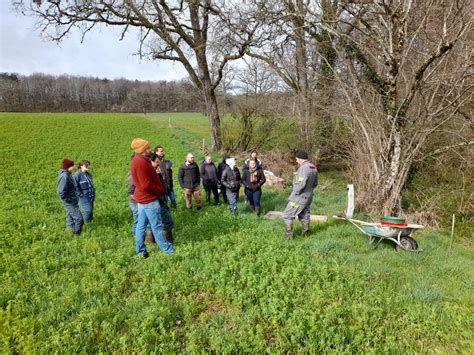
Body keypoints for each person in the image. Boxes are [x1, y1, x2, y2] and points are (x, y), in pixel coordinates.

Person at [130, 138, 174, 257]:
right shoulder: (140, 162)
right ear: (142, 149)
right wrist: (159, 190)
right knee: (157, 226)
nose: (150, 149)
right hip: (149, 199)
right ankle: (168, 249)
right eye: (148, 148)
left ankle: (140, 251)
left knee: (141, 226)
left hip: (143, 200)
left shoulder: (138, 160)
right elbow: (145, 184)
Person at [283, 150, 318, 240]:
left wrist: (295, 193)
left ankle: (288, 237)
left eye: (297, 159)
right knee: (304, 214)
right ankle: (305, 234)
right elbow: (315, 183)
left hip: (299, 197)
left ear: (301, 159)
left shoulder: (303, 168)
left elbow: (300, 184)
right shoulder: (313, 167)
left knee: (287, 215)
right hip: (308, 196)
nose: (296, 160)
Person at [150, 153, 175, 243]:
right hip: (156, 200)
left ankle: (152, 243)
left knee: (151, 223)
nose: (158, 164)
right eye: (156, 162)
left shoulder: (157, 171)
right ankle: (169, 243)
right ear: (151, 161)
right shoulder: (151, 173)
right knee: (167, 222)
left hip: (160, 198)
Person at [57, 159, 83, 235]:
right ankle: (77, 234)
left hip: (73, 200)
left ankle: (69, 232)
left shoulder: (68, 174)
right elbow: (60, 191)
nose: (74, 167)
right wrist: (69, 200)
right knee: (79, 218)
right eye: (72, 165)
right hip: (70, 201)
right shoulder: (64, 176)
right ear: (68, 167)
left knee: (70, 216)